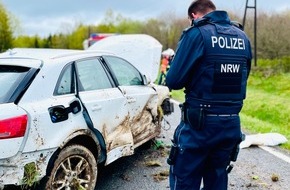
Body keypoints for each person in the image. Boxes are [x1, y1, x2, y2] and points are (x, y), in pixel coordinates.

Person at [166, 0, 252, 190]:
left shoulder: (196, 33)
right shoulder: (242, 37)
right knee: (217, 180)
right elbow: (244, 76)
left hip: (199, 126)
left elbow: (173, 81)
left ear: (194, 16)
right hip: (230, 125)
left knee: (184, 180)